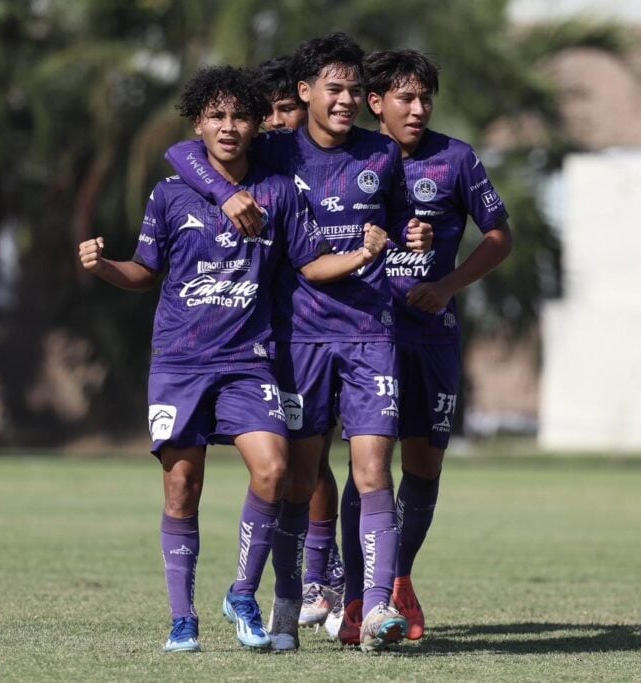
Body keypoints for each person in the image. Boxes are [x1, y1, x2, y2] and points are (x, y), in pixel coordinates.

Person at [78, 65, 387, 654]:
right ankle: (182, 619)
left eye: (239, 116)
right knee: (182, 487)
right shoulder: (171, 193)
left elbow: (310, 265)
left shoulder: (279, 192)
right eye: (216, 116)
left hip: (250, 361)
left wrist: (361, 256)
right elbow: (145, 274)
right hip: (180, 363)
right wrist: (103, 267)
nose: (228, 126)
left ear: (256, 125)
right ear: (199, 123)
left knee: (273, 469)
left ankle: (243, 591)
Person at [164, 33, 433, 653]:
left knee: (373, 473)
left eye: (353, 91)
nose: (347, 101)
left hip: (370, 334)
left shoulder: (383, 155)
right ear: (305, 93)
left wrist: (410, 242)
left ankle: (379, 608)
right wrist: (228, 193)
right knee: (297, 480)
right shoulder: (275, 151)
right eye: (333, 89)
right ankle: (286, 609)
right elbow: (186, 152)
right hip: (296, 339)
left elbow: (392, 230)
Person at [352, 48, 513, 642]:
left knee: (422, 464)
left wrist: (447, 286)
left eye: (425, 99)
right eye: (405, 98)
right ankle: (351, 590)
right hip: (368, 335)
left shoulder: (456, 159)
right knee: (368, 465)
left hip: (432, 338)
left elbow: (499, 236)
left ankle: (397, 579)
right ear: (377, 104)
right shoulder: (356, 158)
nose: (418, 109)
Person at [255, 51, 349, 637]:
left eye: (285, 109)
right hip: (256, 326)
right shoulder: (255, 163)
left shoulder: (326, 161)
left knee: (309, 457)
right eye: (266, 114)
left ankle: (323, 577)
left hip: (318, 328)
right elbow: (186, 157)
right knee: (288, 459)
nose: (276, 122)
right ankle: (310, 581)